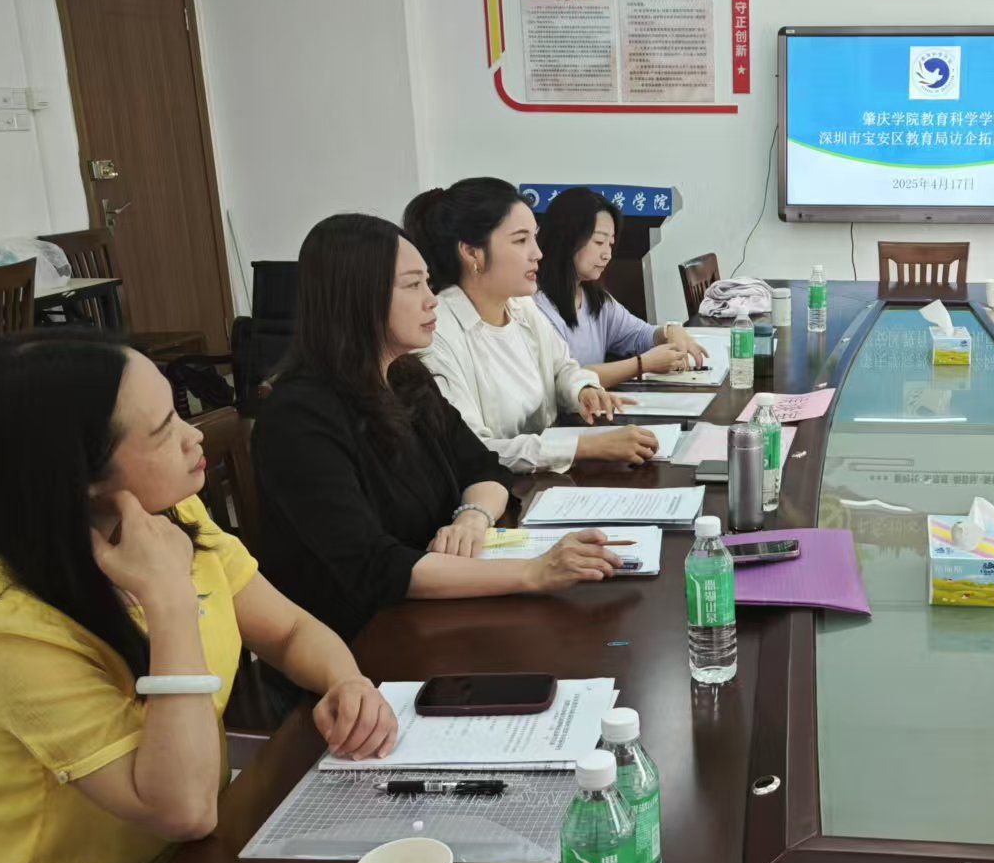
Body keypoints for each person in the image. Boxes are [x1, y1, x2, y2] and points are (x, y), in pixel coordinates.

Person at [0, 331, 400, 863]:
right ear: (82, 477)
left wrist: (344, 680)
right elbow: (183, 807)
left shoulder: (169, 519)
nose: (196, 436)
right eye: (163, 429)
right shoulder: (4, 625)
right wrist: (167, 601)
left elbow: (287, 630)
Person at [253, 214, 620, 649]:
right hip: (362, 644)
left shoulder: (407, 377)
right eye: (412, 286)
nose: (432, 301)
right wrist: (533, 572)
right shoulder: (298, 417)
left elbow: (484, 467)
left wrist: (472, 516)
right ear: (357, 298)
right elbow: (375, 567)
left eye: (428, 283)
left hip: (441, 608)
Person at [403, 178, 659, 471]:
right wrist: (585, 447)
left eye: (534, 238)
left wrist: (582, 389)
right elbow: (474, 449)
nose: (537, 253)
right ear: (472, 252)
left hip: (547, 476)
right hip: (501, 488)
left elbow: (563, 367)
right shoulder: (438, 334)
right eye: (520, 240)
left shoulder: (520, 306)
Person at [533, 186, 708, 385]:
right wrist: (641, 364)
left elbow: (638, 335)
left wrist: (669, 332)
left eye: (610, 244)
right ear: (566, 239)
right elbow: (565, 379)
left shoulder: (595, 299)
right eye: (599, 242)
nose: (607, 254)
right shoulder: (536, 306)